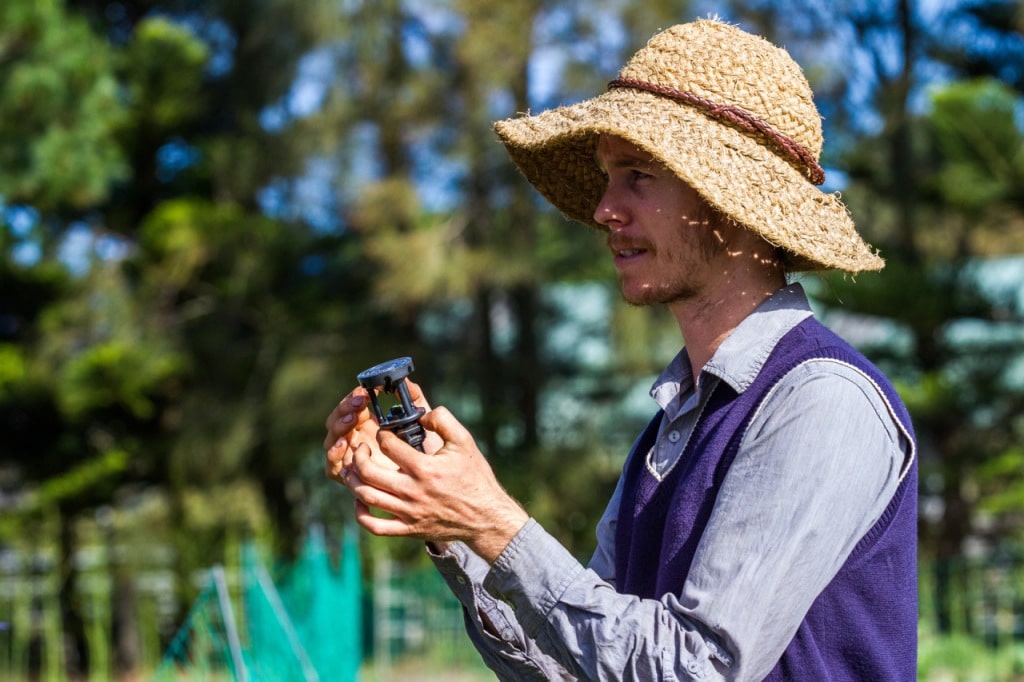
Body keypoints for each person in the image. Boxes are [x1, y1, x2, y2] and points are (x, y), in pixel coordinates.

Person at [324, 18, 917, 681]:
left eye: (637, 175)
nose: (604, 209)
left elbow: (697, 669)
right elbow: (576, 666)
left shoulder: (820, 401)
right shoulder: (674, 429)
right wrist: (450, 521)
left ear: (730, 202)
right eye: (609, 178)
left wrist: (493, 522)